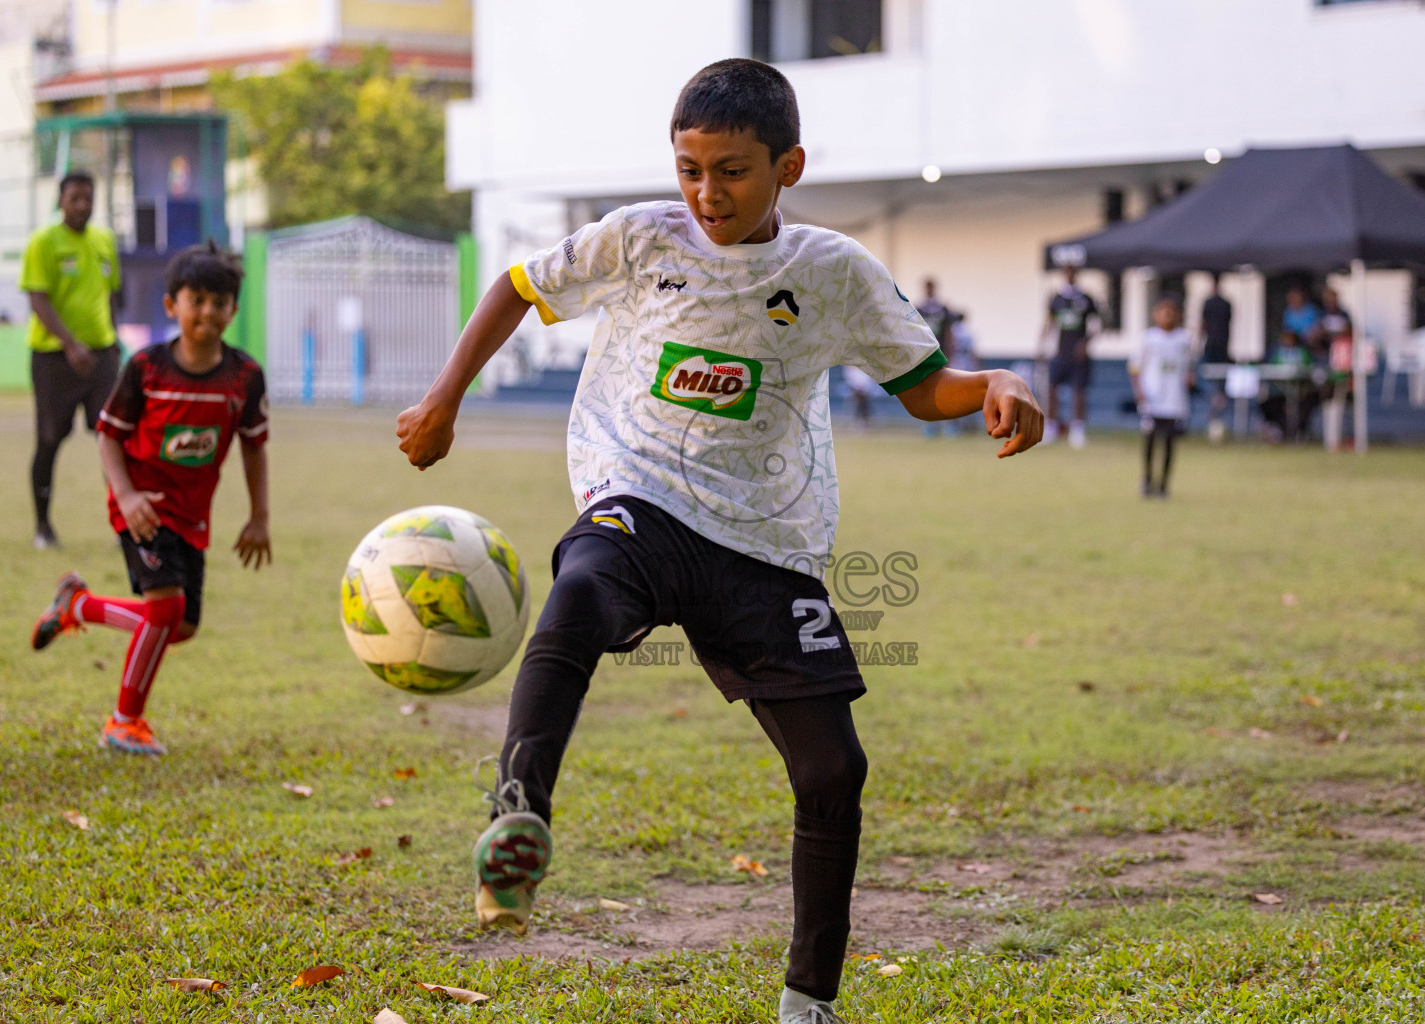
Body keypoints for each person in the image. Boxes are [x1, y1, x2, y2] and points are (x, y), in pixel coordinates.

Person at [396, 59, 1043, 1024]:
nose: (707, 193)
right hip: (640, 495)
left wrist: (995, 382)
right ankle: (517, 816)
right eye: (691, 167)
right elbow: (519, 286)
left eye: (733, 170)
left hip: (767, 540)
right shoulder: (641, 236)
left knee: (835, 771)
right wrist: (443, 398)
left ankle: (807, 1001)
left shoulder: (830, 271)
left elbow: (921, 389)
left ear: (789, 166)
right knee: (579, 591)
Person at [28, 241, 271, 756]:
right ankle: (124, 722)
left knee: (178, 626)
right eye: (196, 298)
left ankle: (79, 605)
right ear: (171, 306)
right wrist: (127, 494)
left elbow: (254, 446)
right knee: (166, 609)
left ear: (234, 308)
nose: (208, 310)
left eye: (220, 301)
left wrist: (259, 517)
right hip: (139, 505)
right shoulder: (146, 368)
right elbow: (109, 435)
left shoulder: (245, 377)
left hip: (191, 514)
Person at [21, 170, 123, 550]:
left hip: (101, 358)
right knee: (49, 439)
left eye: (88, 198)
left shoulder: (105, 241)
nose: (82, 205)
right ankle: (43, 526)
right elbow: (37, 298)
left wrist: (113, 340)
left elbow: (111, 294)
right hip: (53, 359)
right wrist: (69, 344)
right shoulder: (43, 242)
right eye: (74, 198)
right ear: (60, 201)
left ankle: (122, 525)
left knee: (113, 438)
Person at [1131, 297, 1194, 498]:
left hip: (1174, 399)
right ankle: (1147, 480)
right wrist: (1139, 392)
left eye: (1171, 312)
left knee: (1169, 442)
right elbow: (1135, 368)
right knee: (1150, 440)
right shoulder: (1148, 338)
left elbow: (1188, 366)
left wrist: (1190, 378)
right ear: (1155, 315)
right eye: (1162, 311)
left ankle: (1164, 484)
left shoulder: (1184, 339)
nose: (1167, 316)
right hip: (1152, 398)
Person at [1039, 264, 1100, 448]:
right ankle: (1051, 427)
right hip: (1061, 352)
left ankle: (1077, 430)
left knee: (1078, 391)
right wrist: (1042, 344)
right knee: (1052, 388)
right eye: (1066, 271)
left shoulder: (1086, 298)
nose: (1069, 274)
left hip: (1078, 355)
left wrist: (1086, 342)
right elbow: (1049, 324)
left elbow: (1098, 324)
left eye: (1072, 270)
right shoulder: (1057, 299)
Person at [1316, 287, 1354, 452]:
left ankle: (1345, 438)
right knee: (1328, 399)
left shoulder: (1344, 315)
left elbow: (1350, 333)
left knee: (1344, 400)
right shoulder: (1321, 315)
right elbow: (1314, 334)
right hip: (1324, 359)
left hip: (1341, 361)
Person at [1199, 272, 1233, 443]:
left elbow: (1203, 325)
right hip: (1221, 347)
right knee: (1214, 380)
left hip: (1215, 347)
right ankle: (1216, 398)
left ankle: (1216, 398)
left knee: (1213, 379)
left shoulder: (1212, 303)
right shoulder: (1225, 303)